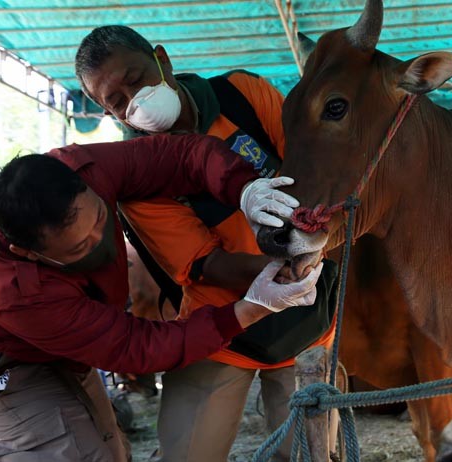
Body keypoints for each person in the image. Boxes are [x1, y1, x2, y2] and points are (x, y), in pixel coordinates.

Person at [0, 133, 322, 462]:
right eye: (79, 247)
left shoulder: (81, 168)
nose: (100, 241)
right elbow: (134, 347)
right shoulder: (14, 291)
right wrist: (251, 309)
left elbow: (180, 155)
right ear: (28, 252)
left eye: (100, 218)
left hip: (67, 349)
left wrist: (246, 189)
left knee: (112, 450)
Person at [75, 26, 336, 461]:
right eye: (117, 101)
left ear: (162, 60)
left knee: (310, 451)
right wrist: (285, 273)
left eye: (136, 79)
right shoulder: (135, 182)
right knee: (189, 453)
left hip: (310, 314)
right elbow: (205, 264)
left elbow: (310, 167)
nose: (135, 101)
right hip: (220, 330)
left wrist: (310, 262)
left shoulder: (242, 93)